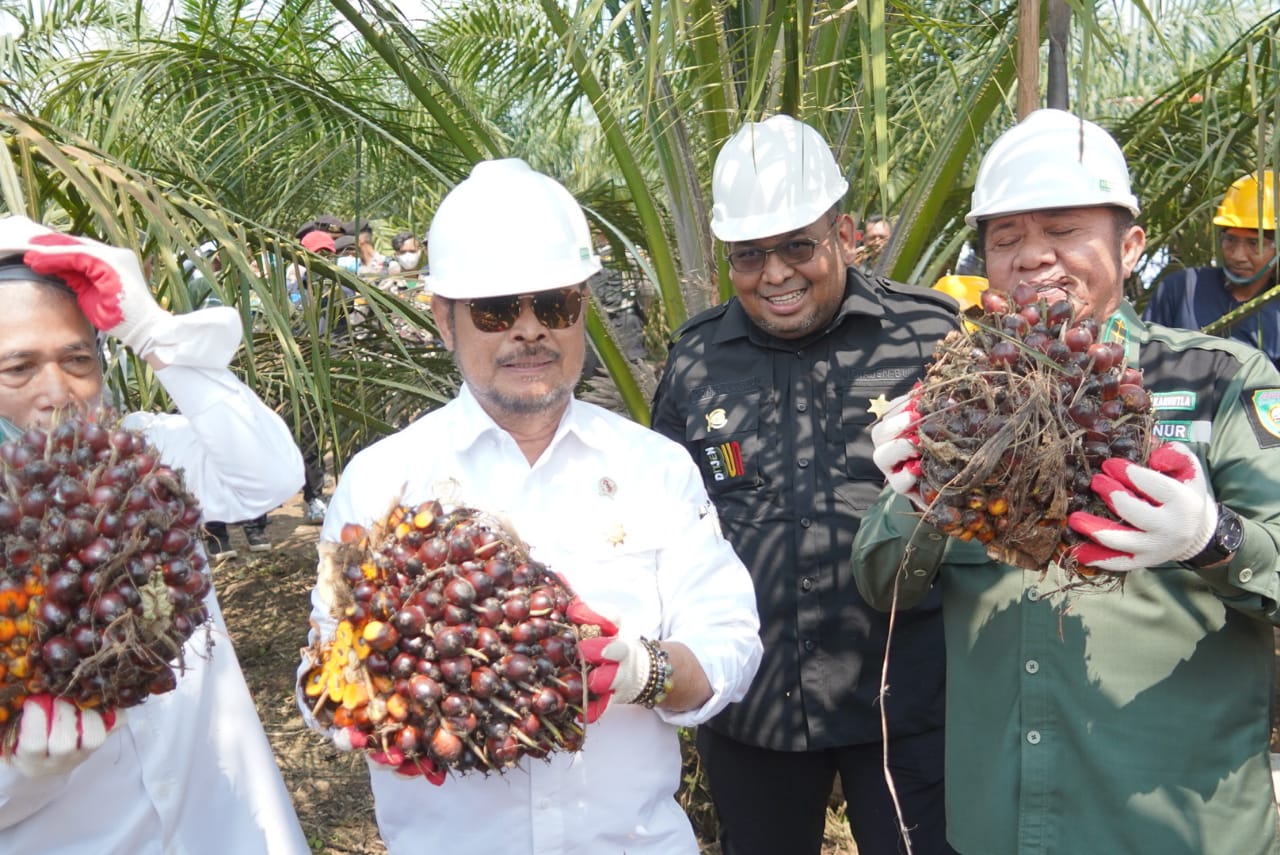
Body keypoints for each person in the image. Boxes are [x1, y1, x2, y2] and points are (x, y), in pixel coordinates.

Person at [297, 158, 763, 854]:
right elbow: (326, 675)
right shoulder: (383, 481)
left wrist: (646, 669)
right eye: (494, 311)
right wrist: (362, 707)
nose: (528, 331)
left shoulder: (655, 468)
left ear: (581, 311)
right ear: (445, 320)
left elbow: (730, 641)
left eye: (553, 306)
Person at [855, 108, 1280, 855]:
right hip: (1003, 830)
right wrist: (910, 504)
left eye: (1061, 230)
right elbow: (879, 581)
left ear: (1131, 246)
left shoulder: (1218, 380)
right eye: (1006, 238)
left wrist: (1212, 537)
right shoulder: (960, 403)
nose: (1032, 257)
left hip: (1178, 831)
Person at [649, 114, 959, 855]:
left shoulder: (930, 335)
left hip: (904, 707)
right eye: (751, 254)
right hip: (755, 713)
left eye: (798, 245)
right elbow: (665, 512)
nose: (777, 273)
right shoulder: (696, 361)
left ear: (844, 233)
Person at [0, 216, 310, 853]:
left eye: (77, 359)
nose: (56, 392)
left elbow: (268, 477)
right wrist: (24, 775)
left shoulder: (144, 457)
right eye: (18, 368)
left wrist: (152, 330)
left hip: (230, 832)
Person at [1142, 170, 1280, 369]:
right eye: (1230, 240)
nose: (1238, 255)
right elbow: (1142, 362)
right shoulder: (1183, 289)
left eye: (1254, 244)